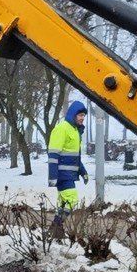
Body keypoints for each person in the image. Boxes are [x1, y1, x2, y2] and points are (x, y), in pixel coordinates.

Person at [46, 99, 88, 236]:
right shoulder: (62, 128)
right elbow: (53, 155)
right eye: (80, 115)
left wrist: (83, 172)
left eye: (83, 116)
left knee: (64, 203)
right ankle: (56, 228)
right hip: (61, 175)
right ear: (73, 114)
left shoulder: (76, 131)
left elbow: (75, 156)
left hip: (69, 175)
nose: (82, 118)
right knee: (71, 199)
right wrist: (52, 177)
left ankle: (55, 231)